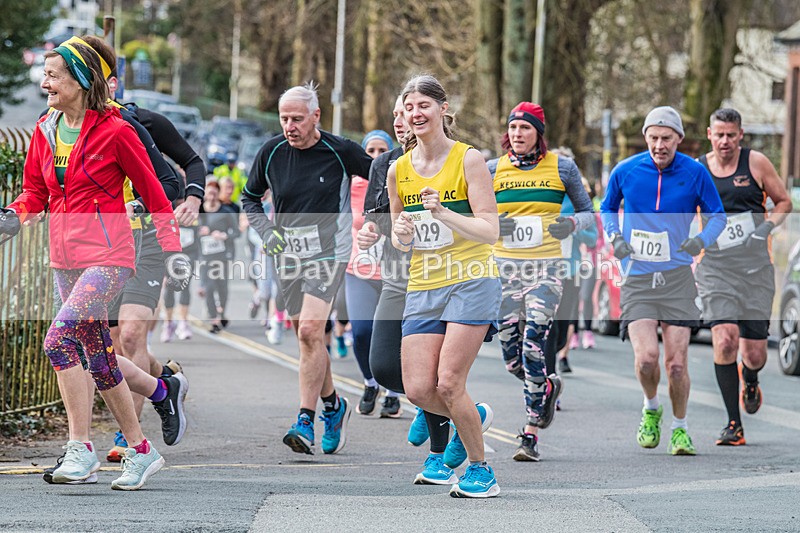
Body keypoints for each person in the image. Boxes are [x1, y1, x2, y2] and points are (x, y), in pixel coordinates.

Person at [0, 39, 190, 490]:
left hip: (110, 256)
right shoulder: (45, 130)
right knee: (97, 357)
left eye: (53, 75)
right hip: (64, 257)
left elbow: (156, 195)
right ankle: (141, 451)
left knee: (58, 339)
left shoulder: (116, 131)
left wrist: (173, 250)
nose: (44, 83)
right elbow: (35, 194)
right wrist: (13, 215)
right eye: (44, 74)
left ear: (81, 81)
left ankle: (80, 447)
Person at [76, 35, 198, 463]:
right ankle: (164, 383)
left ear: (113, 83)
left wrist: (175, 202)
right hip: (100, 248)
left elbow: (175, 179)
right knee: (102, 341)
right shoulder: (61, 130)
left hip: (144, 241)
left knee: (129, 334)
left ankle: (130, 436)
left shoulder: (136, 124)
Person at [242, 83, 373, 456]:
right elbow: (249, 198)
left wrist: (381, 217)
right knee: (306, 336)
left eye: (297, 118)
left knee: (313, 330)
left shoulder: (340, 149)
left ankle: (305, 418)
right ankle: (334, 405)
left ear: (316, 116)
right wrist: (267, 231)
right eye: (284, 118)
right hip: (288, 255)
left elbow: (381, 175)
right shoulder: (271, 152)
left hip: (329, 252)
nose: (289, 125)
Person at [387, 75, 500, 498]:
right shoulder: (399, 169)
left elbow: (490, 230)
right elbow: (402, 239)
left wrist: (443, 212)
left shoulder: (469, 160)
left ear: (443, 109)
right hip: (425, 282)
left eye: (424, 106)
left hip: (471, 279)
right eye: (409, 107)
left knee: (450, 382)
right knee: (418, 388)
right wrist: (400, 232)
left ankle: (481, 470)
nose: (416, 114)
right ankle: (473, 414)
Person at [600, 106, 726, 456]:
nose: (659, 145)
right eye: (653, 138)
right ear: (645, 138)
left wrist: (700, 240)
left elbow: (717, 216)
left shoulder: (695, 173)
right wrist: (615, 238)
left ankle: (681, 428)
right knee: (646, 360)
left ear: (679, 140)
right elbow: (607, 207)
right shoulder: (626, 170)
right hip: (638, 277)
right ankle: (651, 407)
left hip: (676, 278)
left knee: (676, 363)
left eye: (666, 138)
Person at [358, 96, 455, 485]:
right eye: (396, 114)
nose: (401, 121)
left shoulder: (451, 160)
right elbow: (375, 218)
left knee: (429, 374)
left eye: (407, 114)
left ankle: (438, 453)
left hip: (439, 277)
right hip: (397, 277)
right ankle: (462, 411)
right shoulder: (385, 164)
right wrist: (370, 232)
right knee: (383, 366)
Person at [491, 105, 594, 462]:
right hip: (504, 272)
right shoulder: (493, 169)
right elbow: (476, 214)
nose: (518, 134)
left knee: (534, 344)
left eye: (525, 128)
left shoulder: (562, 167)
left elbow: (586, 211)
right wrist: (493, 224)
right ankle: (546, 387)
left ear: (538, 132)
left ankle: (530, 431)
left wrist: (571, 226)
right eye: (513, 127)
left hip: (547, 270)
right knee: (511, 359)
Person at [696, 108, 792, 445]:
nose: (725, 141)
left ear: (741, 135)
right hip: (716, 268)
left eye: (731, 135)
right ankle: (733, 424)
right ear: (710, 134)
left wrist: (764, 227)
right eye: (719, 134)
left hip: (755, 270)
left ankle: (750, 379)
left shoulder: (756, 163)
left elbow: (783, 202)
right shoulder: (699, 169)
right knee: (724, 339)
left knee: (755, 354)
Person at [345, 129, 402, 417]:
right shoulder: (352, 184)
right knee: (362, 332)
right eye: (371, 151)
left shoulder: (400, 180)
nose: (376, 157)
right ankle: (370, 383)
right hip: (359, 268)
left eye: (382, 151)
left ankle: (393, 392)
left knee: (395, 335)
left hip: (394, 270)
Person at [198, 180, 240, 332]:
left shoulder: (226, 212)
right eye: (209, 193)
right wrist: (200, 232)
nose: (211, 196)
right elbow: (189, 229)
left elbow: (236, 232)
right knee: (208, 287)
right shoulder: (199, 212)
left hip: (223, 255)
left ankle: (221, 312)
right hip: (205, 256)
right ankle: (214, 318)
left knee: (222, 286)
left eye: (214, 194)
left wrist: (224, 235)